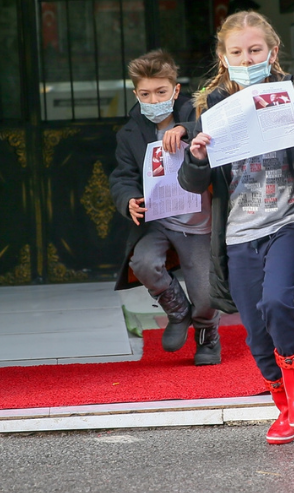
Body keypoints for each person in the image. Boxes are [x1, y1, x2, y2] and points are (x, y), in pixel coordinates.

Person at [175, 11, 294, 444]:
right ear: (223, 58)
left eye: (255, 50)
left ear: (273, 51)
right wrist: (196, 156)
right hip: (239, 233)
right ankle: (283, 404)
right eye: (237, 53)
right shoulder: (209, 108)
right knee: (255, 329)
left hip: (290, 221)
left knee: (277, 301)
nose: (248, 59)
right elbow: (194, 184)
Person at [110, 49, 221, 366]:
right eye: (145, 93)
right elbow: (122, 176)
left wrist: (186, 128)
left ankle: (207, 339)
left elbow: (217, 132)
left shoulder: (199, 112)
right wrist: (128, 199)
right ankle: (177, 311)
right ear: (136, 94)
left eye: (161, 91)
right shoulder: (130, 133)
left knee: (204, 293)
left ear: (175, 90)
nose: (153, 99)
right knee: (143, 262)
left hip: (199, 223)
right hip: (158, 220)